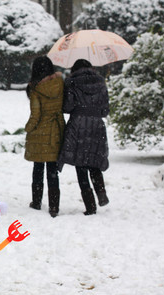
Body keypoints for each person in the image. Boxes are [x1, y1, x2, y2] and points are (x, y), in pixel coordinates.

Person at [57, 59, 110, 215]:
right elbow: (105, 110)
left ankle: (90, 206)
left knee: (81, 165)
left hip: (78, 125)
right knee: (94, 161)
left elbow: (68, 107)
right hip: (96, 126)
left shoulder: (72, 82)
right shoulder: (101, 83)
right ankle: (101, 192)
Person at [24, 56, 65, 218]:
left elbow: (36, 115)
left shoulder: (36, 89)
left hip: (40, 133)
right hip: (56, 130)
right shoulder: (60, 84)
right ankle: (54, 206)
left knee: (38, 169)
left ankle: (36, 202)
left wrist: (27, 128)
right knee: (53, 171)